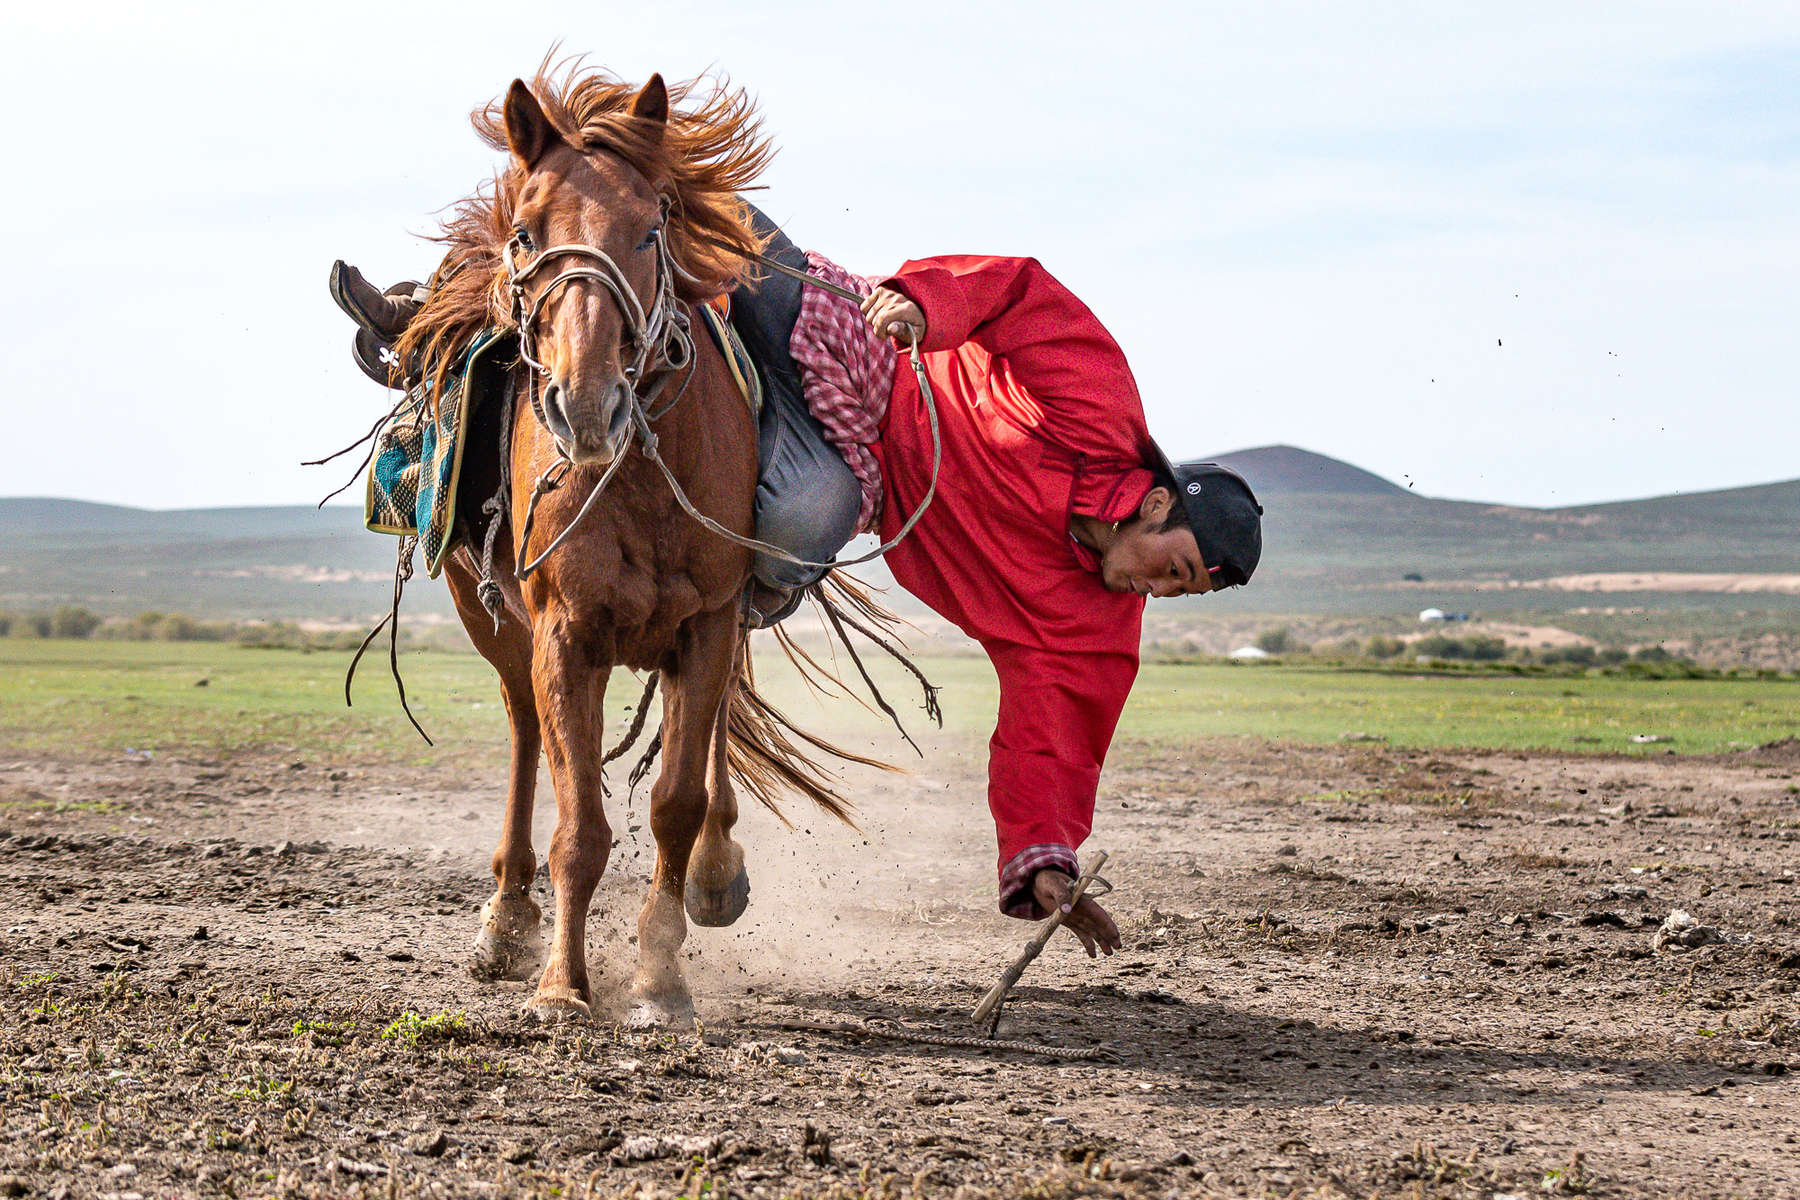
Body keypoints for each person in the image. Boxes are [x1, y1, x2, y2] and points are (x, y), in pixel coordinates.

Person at [330, 207, 1262, 956]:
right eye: (1173, 570)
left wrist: (1042, 857)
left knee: (799, 521)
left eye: (1182, 595)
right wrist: (925, 304)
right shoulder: (1102, 411)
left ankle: (707, 640)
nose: (1156, 593)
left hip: (844, 462)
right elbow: (1024, 295)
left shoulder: (1091, 623)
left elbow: (1057, 735)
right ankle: (434, 327)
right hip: (860, 348)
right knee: (676, 230)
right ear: (1152, 506)